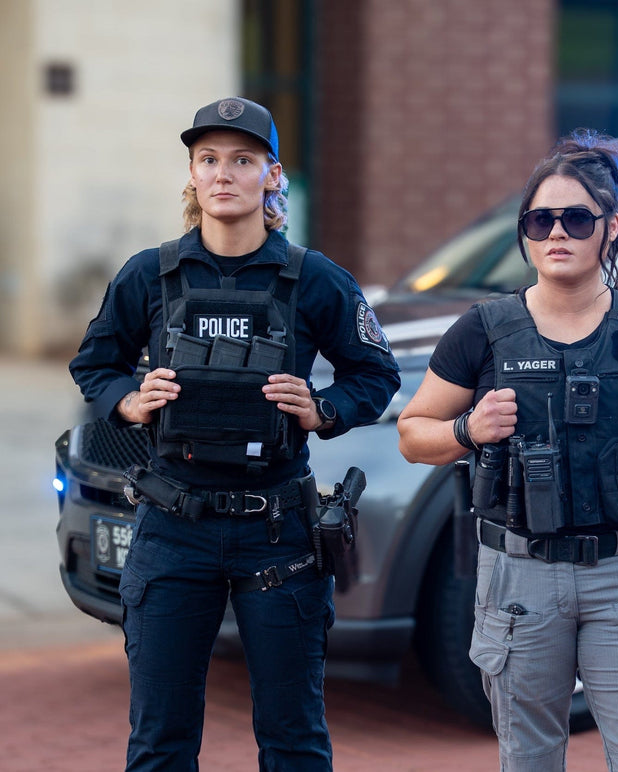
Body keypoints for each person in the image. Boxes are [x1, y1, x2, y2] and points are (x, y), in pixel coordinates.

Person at [69, 96, 400, 771]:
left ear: (272, 176)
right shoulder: (150, 274)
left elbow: (376, 373)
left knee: (293, 739)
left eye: (242, 160)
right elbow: (93, 364)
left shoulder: (314, 280)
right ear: (192, 175)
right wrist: (130, 402)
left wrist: (323, 410)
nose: (224, 174)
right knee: (159, 743)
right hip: (171, 528)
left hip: (276, 530)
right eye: (209, 159)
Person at [396, 129, 618, 771]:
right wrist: (468, 430)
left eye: (577, 218)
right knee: (530, 761)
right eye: (540, 219)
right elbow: (414, 434)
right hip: (519, 579)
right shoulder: (483, 330)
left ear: (610, 228)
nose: (557, 233)